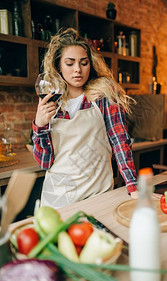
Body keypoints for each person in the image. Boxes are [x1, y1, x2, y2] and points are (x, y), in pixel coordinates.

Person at [32, 27, 137, 208]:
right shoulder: (50, 101)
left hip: (97, 194)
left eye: (84, 62)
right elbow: (44, 162)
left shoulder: (103, 95)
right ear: (59, 66)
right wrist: (39, 126)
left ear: (91, 64)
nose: (78, 70)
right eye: (70, 63)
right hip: (57, 199)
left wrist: (133, 187)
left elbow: (120, 141)